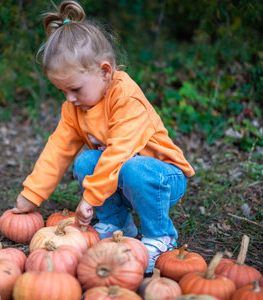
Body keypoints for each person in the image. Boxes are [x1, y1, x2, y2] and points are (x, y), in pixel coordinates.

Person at [12, 0, 195, 272]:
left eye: (75, 89)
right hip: (124, 177)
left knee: (132, 166)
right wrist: (32, 193)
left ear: (105, 71)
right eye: (63, 91)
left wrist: (90, 197)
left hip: (162, 177)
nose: (70, 99)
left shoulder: (126, 97)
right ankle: (118, 223)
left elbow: (119, 153)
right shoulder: (75, 108)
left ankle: (161, 237)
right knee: (86, 162)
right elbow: (57, 150)